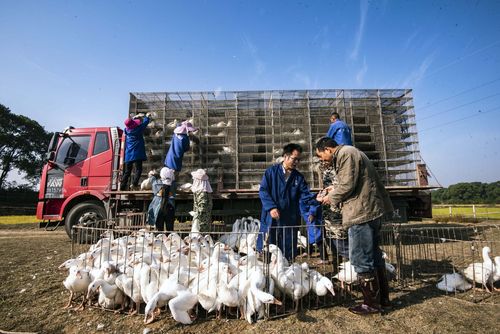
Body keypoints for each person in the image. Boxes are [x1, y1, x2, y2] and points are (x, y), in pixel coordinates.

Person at [315, 136, 394, 315]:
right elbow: (353, 181)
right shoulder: (351, 153)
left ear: (328, 149)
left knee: (360, 258)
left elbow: (347, 185)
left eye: (321, 156)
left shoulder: (345, 153)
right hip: (369, 210)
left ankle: (370, 304)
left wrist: (330, 198)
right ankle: (383, 300)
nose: (322, 160)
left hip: (361, 213)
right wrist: (332, 189)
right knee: (374, 256)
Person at [256, 143, 316, 261]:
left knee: (288, 249)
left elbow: (305, 196)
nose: (296, 162)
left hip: (290, 217)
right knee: (268, 246)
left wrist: (314, 205)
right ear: (285, 156)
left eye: (298, 160)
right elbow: (263, 191)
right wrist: (271, 208)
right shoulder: (271, 173)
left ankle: (286, 268)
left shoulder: (298, 178)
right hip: (271, 217)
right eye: (294, 159)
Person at [121, 113, 150, 191]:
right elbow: (145, 123)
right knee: (138, 169)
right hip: (137, 153)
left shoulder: (126, 130)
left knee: (127, 172)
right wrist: (146, 117)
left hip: (129, 155)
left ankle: (122, 186)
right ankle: (134, 184)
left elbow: (129, 124)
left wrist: (134, 117)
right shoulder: (138, 129)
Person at [298, 197, 329, 264]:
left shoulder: (307, 194)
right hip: (308, 218)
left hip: (313, 219)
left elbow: (314, 203)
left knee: (318, 238)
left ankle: (324, 258)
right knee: (309, 235)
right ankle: (308, 252)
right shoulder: (302, 194)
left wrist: (312, 213)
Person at [147, 167, 175, 232]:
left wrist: (154, 174)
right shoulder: (173, 185)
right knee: (170, 228)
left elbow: (151, 177)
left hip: (158, 207)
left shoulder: (156, 183)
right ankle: (170, 240)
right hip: (170, 207)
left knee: (159, 229)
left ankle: (160, 240)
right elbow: (172, 178)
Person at [190, 169, 213, 233]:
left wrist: (196, 216)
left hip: (201, 220)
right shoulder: (203, 191)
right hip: (203, 218)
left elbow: (202, 208)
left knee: (201, 233)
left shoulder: (202, 193)